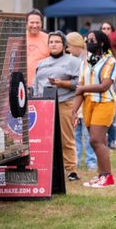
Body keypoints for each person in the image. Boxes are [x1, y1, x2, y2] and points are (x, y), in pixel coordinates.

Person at [73, 30, 116, 188]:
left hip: (104, 102)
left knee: (95, 140)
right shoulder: (84, 62)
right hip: (88, 104)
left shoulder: (110, 61)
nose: (88, 42)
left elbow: (104, 86)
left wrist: (82, 89)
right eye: (87, 39)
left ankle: (108, 177)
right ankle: (101, 175)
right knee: (101, 142)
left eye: (92, 40)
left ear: (101, 43)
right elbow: (79, 89)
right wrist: (73, 112)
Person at [34, 31, 81, 181]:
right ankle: (48, 168)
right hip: (44, 105)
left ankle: (71, 170)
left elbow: (80, 84)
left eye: (57, 42)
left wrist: (61, 83)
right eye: (51, 42)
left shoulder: (72, 61)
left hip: (64, 103)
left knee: (66, 138)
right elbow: (36, 84)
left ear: (64, 45)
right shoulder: (41, 63)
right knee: (45, 139)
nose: (53, 44)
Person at [66, 32, 97, 170]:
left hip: (86, 98)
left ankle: (91, 161)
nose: (67, 49)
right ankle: (76, 160)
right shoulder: (68, 59)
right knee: (74, 132)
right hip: (72, 98)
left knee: (87, 131)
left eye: (69, 46)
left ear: (74, 45)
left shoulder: (89, 58)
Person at [26, 8, 49, 88]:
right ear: (26, 23)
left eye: (37, 22)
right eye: (32, 22)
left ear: (41, 23)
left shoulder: (49, 39)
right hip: (21, 86)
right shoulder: (19, 39)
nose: (35, 25)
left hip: (43, 86)